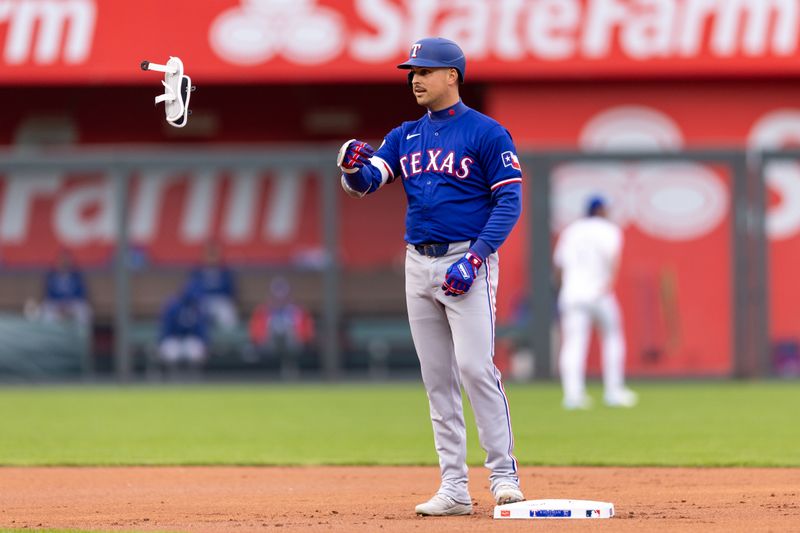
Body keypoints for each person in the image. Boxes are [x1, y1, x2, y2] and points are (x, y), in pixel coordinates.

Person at [336, 37, 524, 516]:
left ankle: (503, 475)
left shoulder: (487, 132)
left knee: (476, 369)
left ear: (452, 76)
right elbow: (369, 182)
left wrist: (478, 257)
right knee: (437, 378)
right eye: (411, 71)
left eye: (424, 70)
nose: (415, 78)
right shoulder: (406, 135)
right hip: (418, 263)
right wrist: (352, 169)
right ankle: (454, 488)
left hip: (466, 259)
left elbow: (509, 202)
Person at [553, 195, 637, 410]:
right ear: (600, 210)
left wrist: (564, 287)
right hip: (599, 293)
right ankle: (614, 391)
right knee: (613, 338)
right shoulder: (609, 230)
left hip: (572, 293)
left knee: (573, 344)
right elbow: (613, 260)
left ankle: (573, 395)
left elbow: (559, 266)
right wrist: (608, 283)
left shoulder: (571, 230)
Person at [248, 276, 315, 378]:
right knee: (276, 330)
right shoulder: (262, 312)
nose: (280, 298)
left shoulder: (298, 311)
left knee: (287, 331)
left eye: (283, 294)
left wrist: (301, 338)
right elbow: (255, 333)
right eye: (276, 294)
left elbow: (307, 333)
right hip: (269, 343)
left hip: (293, 344)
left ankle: (289, 368)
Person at [158, 284, 209, 375]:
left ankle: (194, 378)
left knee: (195, 353)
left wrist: (205, 343)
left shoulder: (197, 308)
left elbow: (201, 329)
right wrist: (161, 342)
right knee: (170, 353)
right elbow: (166, 328)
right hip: (174, 339)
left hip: (191, 339)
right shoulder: (173, 307)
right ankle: (172, 378)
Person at [187, 242, 239, 330]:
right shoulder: (197, 272)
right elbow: (192, 290)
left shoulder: (224, 272)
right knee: (193, 313)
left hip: (220, 301)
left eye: (214, 255)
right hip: (202, 301)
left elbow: (230, 290)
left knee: (227, 312)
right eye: (209, 255)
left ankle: (229, 339)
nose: (211, 258)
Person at [39, 249, 92, 331]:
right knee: (45, 311)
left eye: (66, 260)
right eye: (61, 260)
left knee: (84, 311)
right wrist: (60, 306)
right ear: (57, 262)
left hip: (73, 305)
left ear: (70, 262)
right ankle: (50, 338)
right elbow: (48, 296)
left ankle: (81, 337)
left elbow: (81, 295)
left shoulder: (76, 276)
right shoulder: (52, 276)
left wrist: (68, 306)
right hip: (56, 305)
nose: (64, 263)